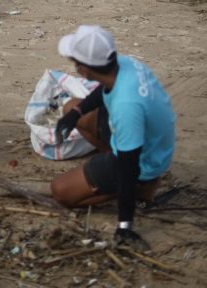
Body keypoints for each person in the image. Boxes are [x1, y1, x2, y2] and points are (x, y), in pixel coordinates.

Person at [50, 25, 175, 249]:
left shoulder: (126, 106)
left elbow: (128, 166)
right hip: (151, 142)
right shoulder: (125, 64)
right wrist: (76, 115)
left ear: (85, 70)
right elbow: (103, 90)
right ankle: (118, 177)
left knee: (61, 192)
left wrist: (124, 226)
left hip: (143, 162)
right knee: (72, 108)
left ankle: (142, 189)